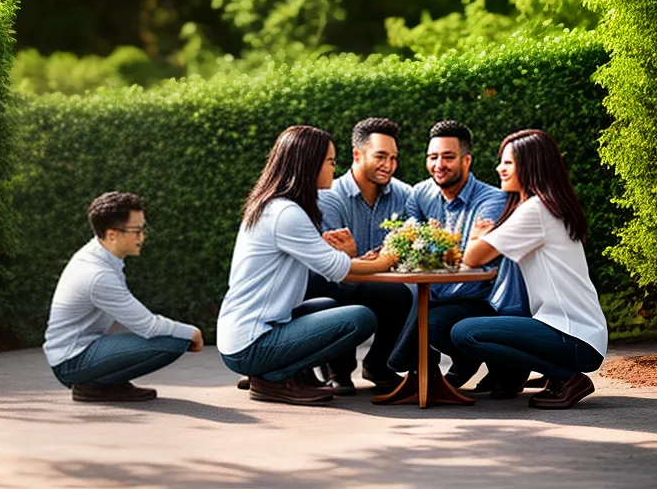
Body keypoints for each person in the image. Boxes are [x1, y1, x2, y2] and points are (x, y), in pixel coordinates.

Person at [217, 125, 398, 405]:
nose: (332, 168)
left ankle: (272, 372)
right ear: (308, 164)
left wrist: (328, 245)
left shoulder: (275, 206)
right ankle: (273, 377)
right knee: (360, 318)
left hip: (246, 333)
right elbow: (340, 270)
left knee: (326, 305)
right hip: (250, 344)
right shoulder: (286, 213)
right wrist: (387, 260)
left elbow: (317, 257)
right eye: (329, 161)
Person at [454, 129, 608, 409]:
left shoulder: (535, 210)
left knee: (464, 332)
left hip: (572, 336)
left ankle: (566, 378)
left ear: (531, 165)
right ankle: (557, 374)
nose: (499, 168)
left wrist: (478, 235)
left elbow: (474, 258)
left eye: (508, 163)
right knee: (474, 326)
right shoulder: (546, 206)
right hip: (580, 333)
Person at [388, 119, 528, 394]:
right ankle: (462, 362)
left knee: (432, 322)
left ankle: (505, 366)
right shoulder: (420, 194)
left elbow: (473, 256)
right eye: (433, 157)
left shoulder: (492, 199)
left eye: (448, 157)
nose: (439, 164)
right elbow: (410, 242)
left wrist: (432, 246)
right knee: (409, 303)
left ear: (466, 161)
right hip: (440, 293)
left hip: (481, 297)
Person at [43, 191, 203, 403]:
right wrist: (192, 333)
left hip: (79, 350)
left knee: (169, 337)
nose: (142, 237)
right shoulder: (98, 274)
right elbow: (149, 326)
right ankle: (93, 386)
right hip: (72, 361)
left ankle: (108, 384)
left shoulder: (99, 255)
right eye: (136, 231)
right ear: (112, 235)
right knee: (173, 342)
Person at [308, 117, 413, 395]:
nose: (388, 165)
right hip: (338, 279)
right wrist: (363, 258)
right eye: (380, 156)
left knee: (400, 293)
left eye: (393, 158)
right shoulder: (330, 196)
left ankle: (379, 364)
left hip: (379, 280)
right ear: (357, 154)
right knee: (331, 289)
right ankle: (338, 370)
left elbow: (406, 246)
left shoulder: (405, 195)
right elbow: (333, 261)